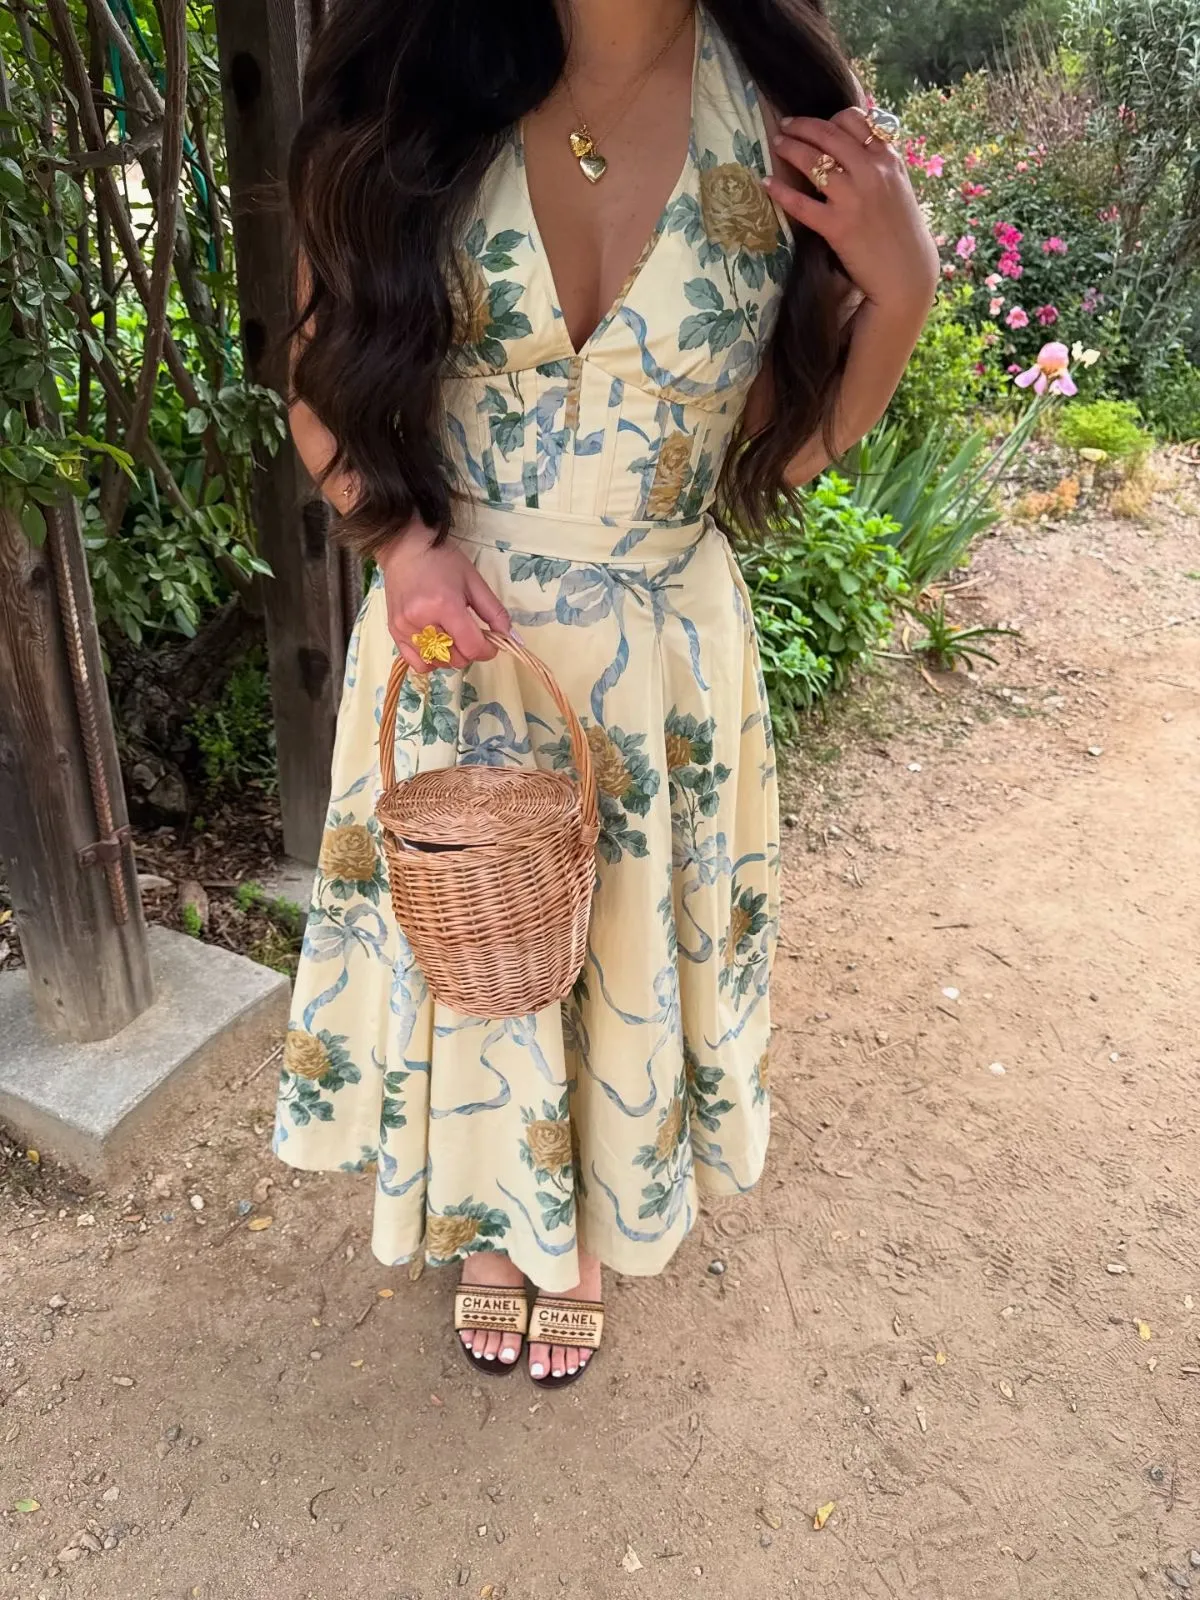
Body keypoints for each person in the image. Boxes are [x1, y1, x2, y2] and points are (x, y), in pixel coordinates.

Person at [276, 0, 937, 1388]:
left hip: (662, 657)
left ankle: (571, 1217)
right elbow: (319, 372)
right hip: (456, 636)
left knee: (616, 939)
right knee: (484, 942)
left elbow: (779, 448)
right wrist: (401, 545)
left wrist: (904, 292)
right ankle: (499, 1219)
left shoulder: (781, 107)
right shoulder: (414, 67)